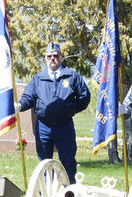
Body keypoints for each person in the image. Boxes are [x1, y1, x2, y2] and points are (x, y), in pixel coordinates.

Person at [15, 42, 90, 184]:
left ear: (61, 57)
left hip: (65, 126)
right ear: (45, 58)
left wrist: (70, 109)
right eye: (49, 56)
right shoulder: (38, 78)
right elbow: (28, 98)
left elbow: (84, 97)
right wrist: (20, 105)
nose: (52, 59)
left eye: (55, 56)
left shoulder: (72, 76)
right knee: (44, 162)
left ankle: (69, 193)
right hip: (43, 126)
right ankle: (48, 196)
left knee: (68, 161)